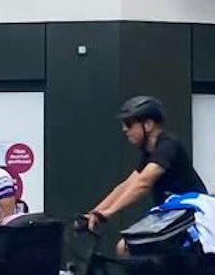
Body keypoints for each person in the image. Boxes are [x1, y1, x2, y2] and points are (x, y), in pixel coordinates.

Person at [85, 96, 207, 229]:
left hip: (193, 217)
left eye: (129, 123)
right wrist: (94, 213)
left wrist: (109, 212)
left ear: (148, 125)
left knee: (126, 246)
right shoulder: (149, 153)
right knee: (126, 247)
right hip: (174, 215)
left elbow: (143, 184)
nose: (124, 129)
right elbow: (127, 185)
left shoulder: (168, 145)